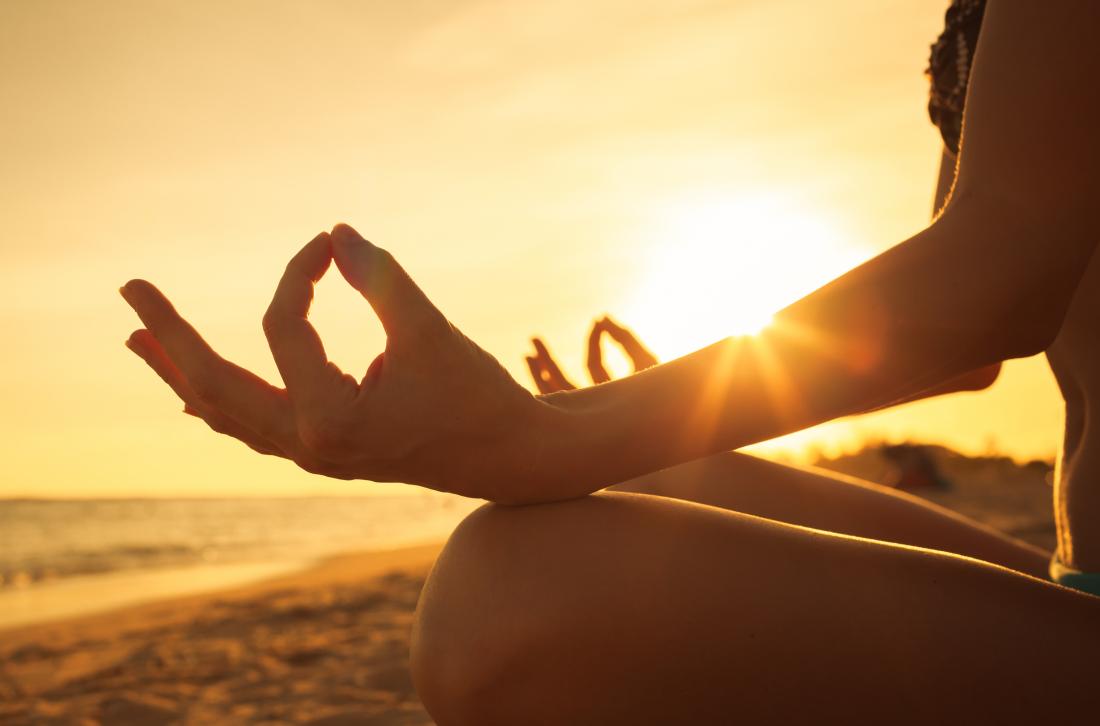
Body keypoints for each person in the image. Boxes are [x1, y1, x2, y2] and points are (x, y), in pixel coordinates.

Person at [120, 1, 1100, 722]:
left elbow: (1000, 275)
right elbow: (968, 319)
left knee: (497, 600)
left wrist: (539, 440)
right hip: (1074, 575)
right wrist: (589, 414)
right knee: (653, 467)